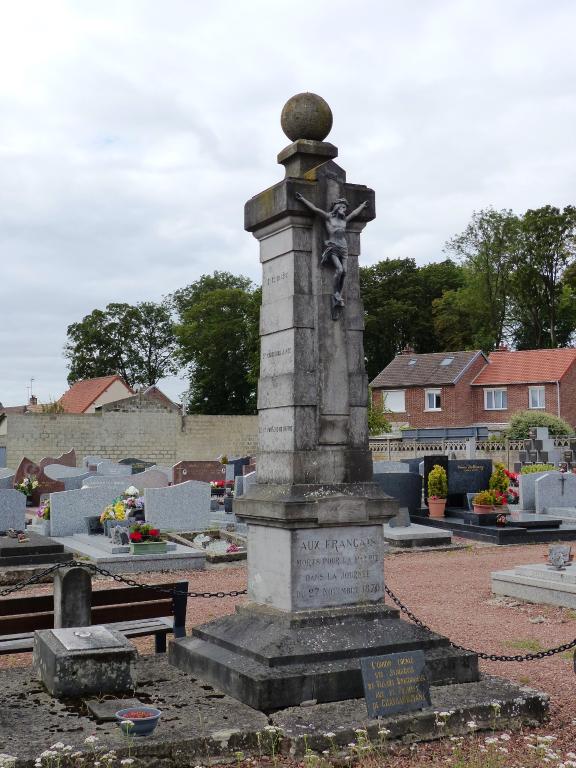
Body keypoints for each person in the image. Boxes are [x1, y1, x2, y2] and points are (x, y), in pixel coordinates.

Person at [295, 193, 369, 307]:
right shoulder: (329, 218)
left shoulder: (345, 220)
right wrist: (302, 199)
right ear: (337, 207)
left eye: (345, 208)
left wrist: (363, 206)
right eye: (343, 207)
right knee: (339, 270)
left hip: (343, 247)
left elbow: (354, 213)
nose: (344, 210)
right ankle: (336, 293)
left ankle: (339, 294)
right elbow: (315, 209)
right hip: (333, 246)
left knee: (344, 272)